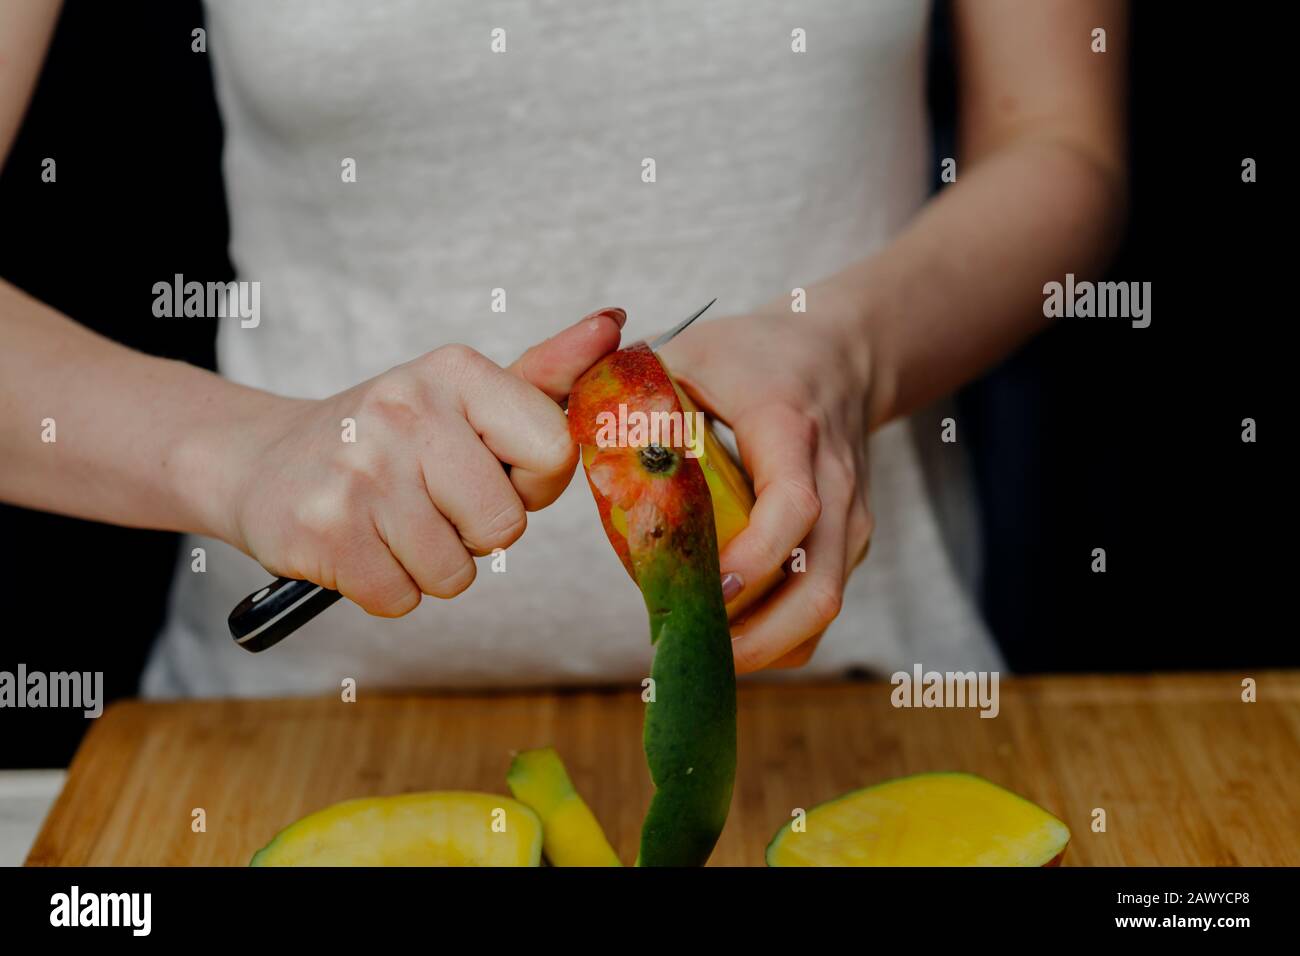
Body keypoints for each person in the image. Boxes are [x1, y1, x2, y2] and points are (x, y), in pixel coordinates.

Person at [0, 1, 1127, 695]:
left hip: (859, 706)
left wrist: (851, 348)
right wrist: (240, 454)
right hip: (295, 728)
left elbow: (1059, 144)